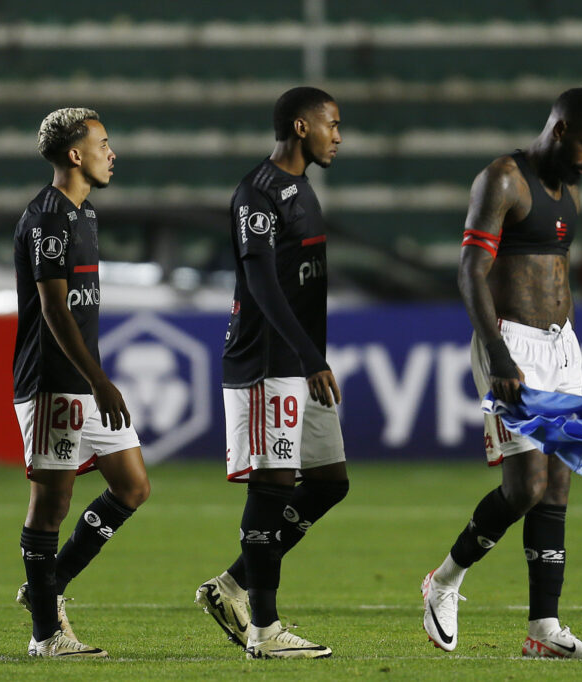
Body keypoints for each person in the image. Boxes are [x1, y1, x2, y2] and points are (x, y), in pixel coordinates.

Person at [421, 88, 582, 659]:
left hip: (561, 348)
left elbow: (556, 273)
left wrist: (570, 345)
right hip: (511, 345)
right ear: (558, 130)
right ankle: (445, 579)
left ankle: (544, 629)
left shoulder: (569, 190)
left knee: (557, 485)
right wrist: (498, 352)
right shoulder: (503, 179)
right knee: (525, 487)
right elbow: (470, 272)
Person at [195, 86, 348, 660]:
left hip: (299, 359)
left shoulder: (302, 189)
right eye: (332, 124)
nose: (339, 135)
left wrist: (309, 355)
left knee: (330, 482)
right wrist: (309, 356)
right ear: (302, 127)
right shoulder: (256, 194)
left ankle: (234, 583)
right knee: (274, 484)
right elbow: (261, 283)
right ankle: (264, 628)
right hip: (266, 359)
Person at [11, 108, 150, 658]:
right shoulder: (47, 218)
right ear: (75, 154)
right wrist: (100, 380)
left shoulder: (84, 215)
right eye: (103, 143)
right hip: (54, 381)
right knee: (51, 504)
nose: (111, 153)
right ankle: (46, 635)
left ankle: (47, 587)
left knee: (133, 485)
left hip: (85, 379)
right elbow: (54, 309)